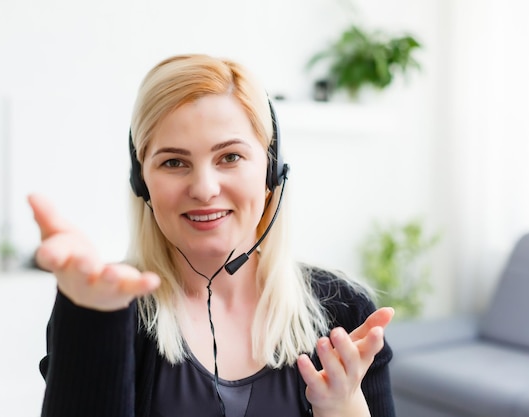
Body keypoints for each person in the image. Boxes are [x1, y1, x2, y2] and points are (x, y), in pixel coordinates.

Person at [28, 53, 396, 417]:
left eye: (230, 157)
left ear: (271, 173)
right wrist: (93, 320)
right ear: (142, 184)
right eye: (174, 162)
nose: (204, 189)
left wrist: (342, 408)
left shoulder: (345, 314)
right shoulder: (107, 308)